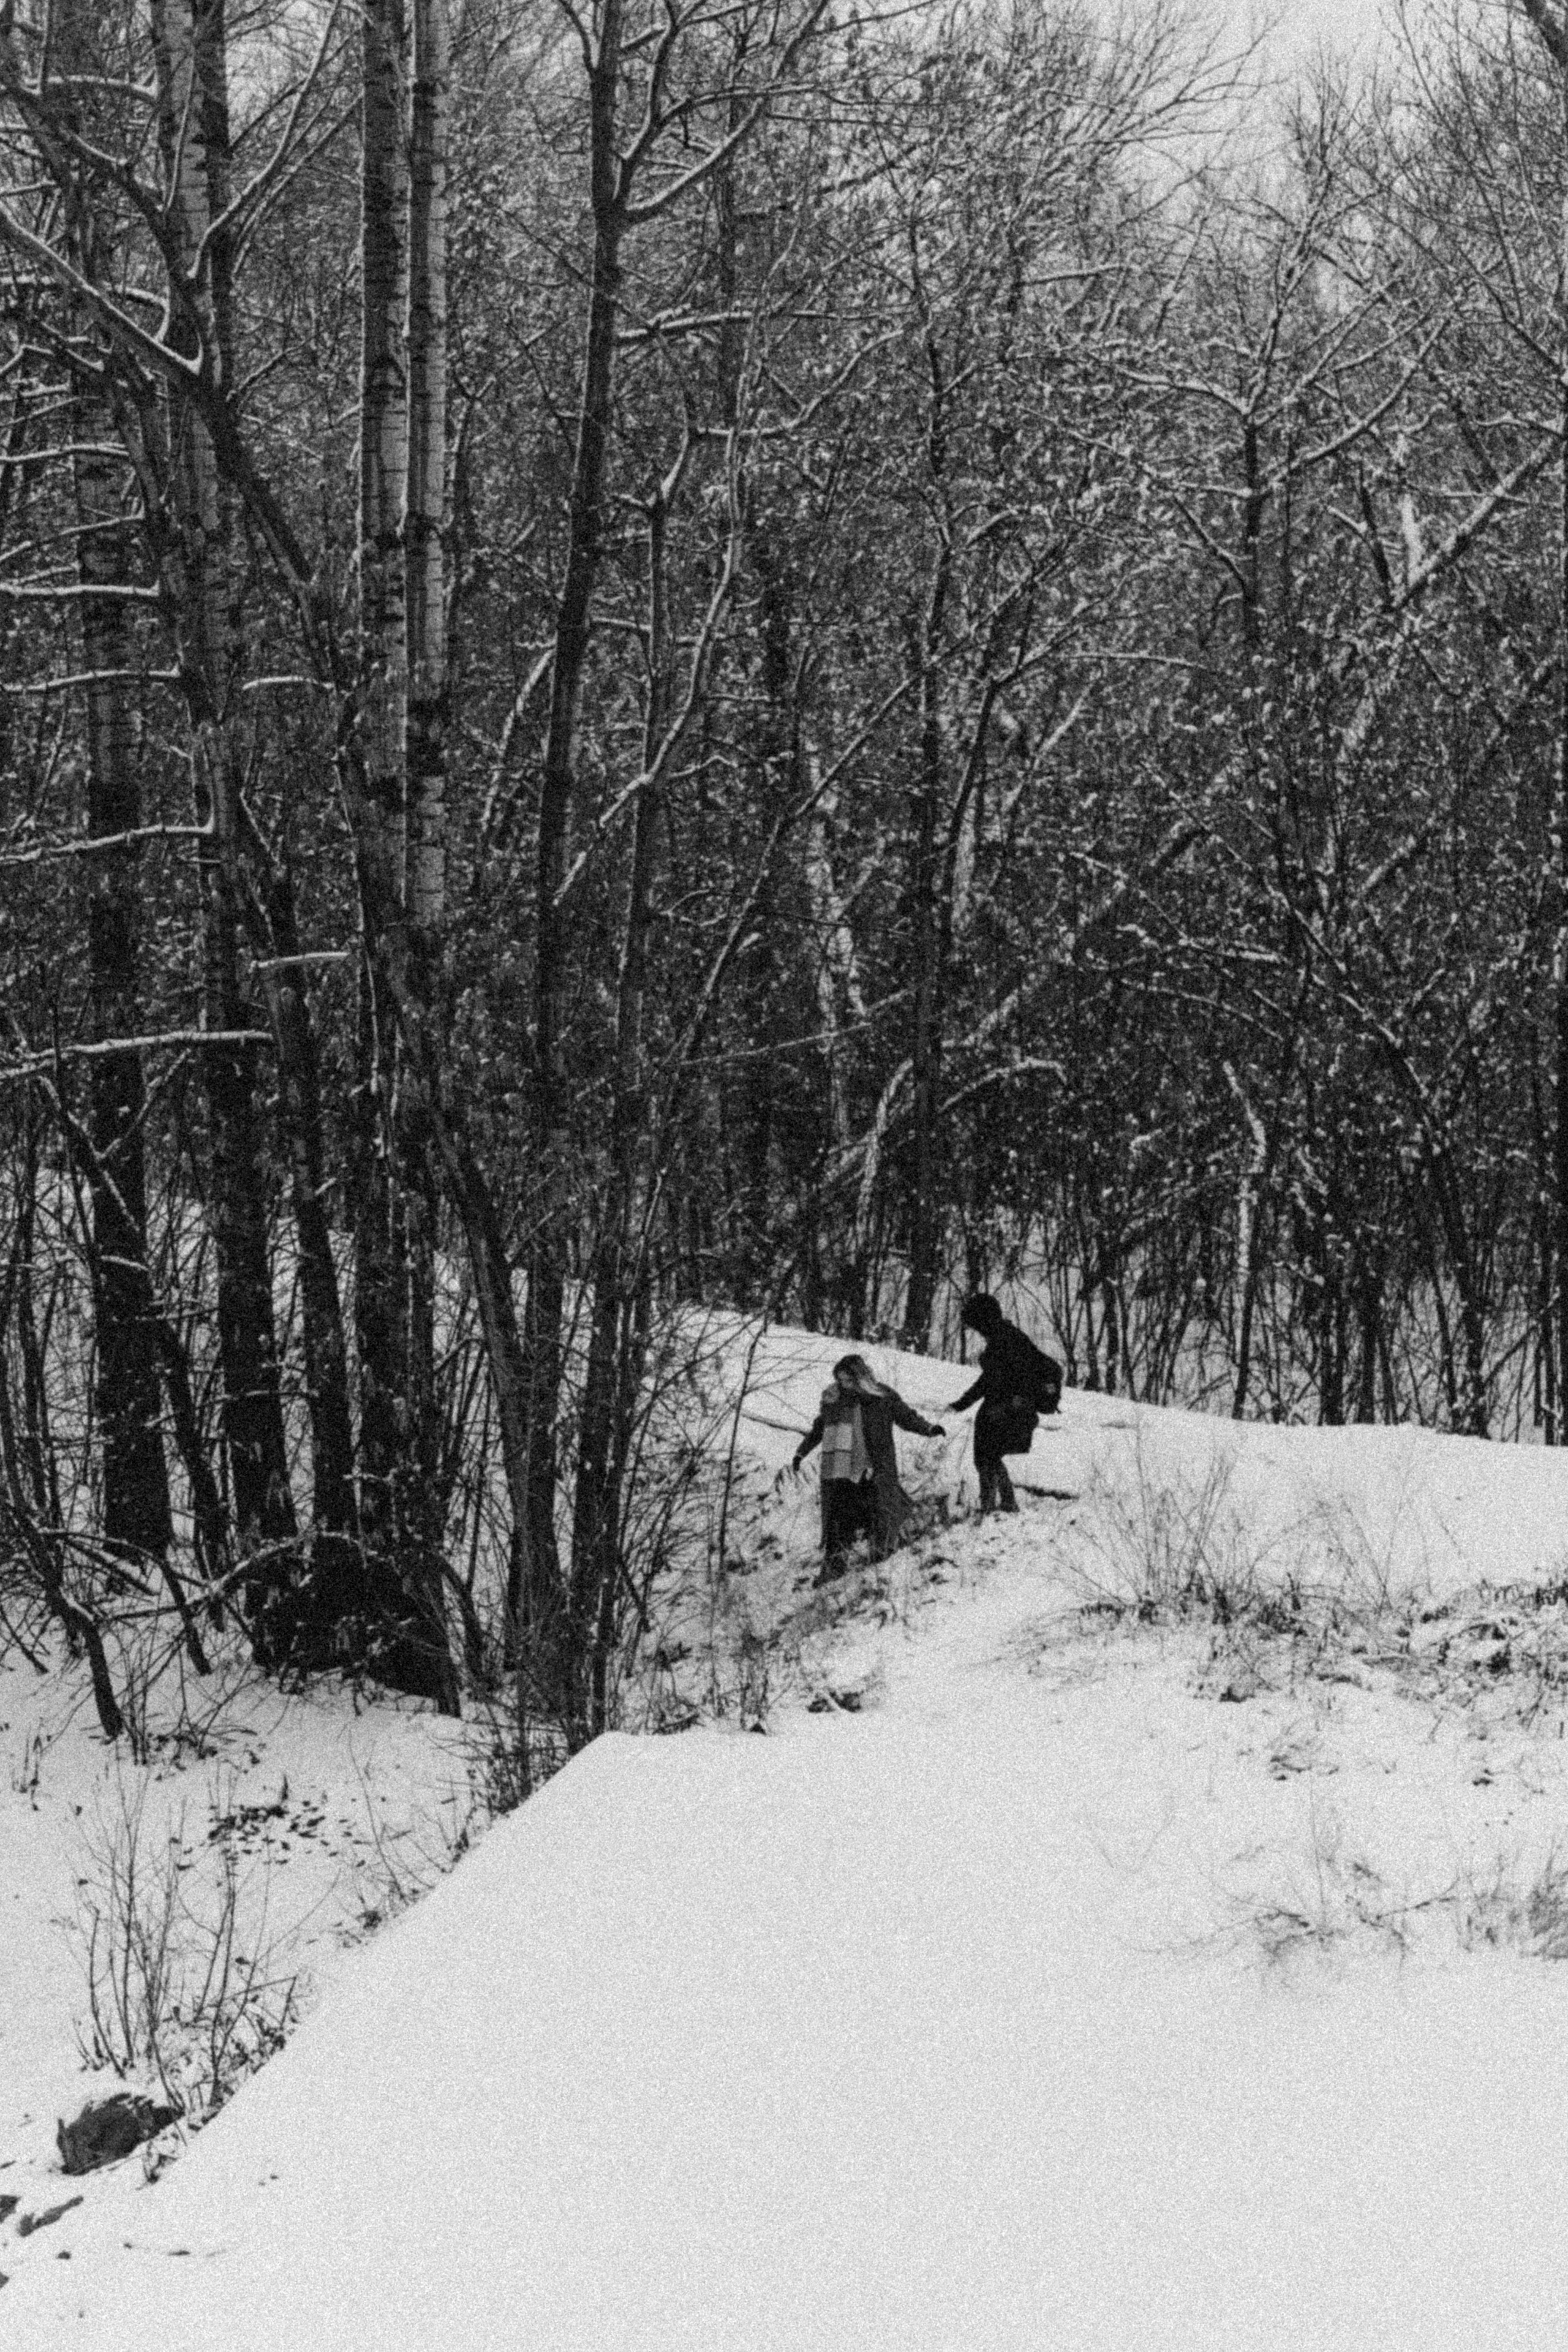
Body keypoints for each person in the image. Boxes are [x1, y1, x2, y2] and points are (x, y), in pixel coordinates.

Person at [792, 1354, 944, 1583]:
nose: (844, 1385)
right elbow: (819, 1428)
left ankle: (881, 1567)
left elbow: (907, 1418)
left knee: (881, 1515)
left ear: (860, 1377)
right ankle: (833, 1569)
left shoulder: (882, 1397)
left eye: (848, 1380)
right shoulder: (834, 1400)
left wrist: (929, 1429)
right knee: (839, 1519)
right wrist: (801, 1452)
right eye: (840, 1380)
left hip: (877, 1468)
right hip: (843, 1472)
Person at [948, 1294, 1062, 1514]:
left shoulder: (1004, 1340)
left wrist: (962, 1404)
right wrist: (962, 1404)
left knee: (986, 1456)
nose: (976, 1330)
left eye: (975, 1324)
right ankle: (1004, 1504)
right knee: (989, 1455)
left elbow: (990, 1380)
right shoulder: (1006, 1336)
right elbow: (993, 1378)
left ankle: (992, 1507)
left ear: (983, 1320)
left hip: (1010, 1409)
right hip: (1011, 1407)